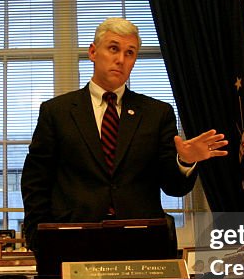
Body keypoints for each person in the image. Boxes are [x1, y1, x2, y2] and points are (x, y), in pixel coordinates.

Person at [21, 18, 228, 252]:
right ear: (93, 52)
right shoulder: (57, 112)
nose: (121, 59)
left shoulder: (157, 113)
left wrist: (186, 160)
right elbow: (35, 181)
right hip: (73, 241)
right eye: (113, 49)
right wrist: (38, 237)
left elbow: (174, 187)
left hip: (142, 243)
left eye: (130, 53)